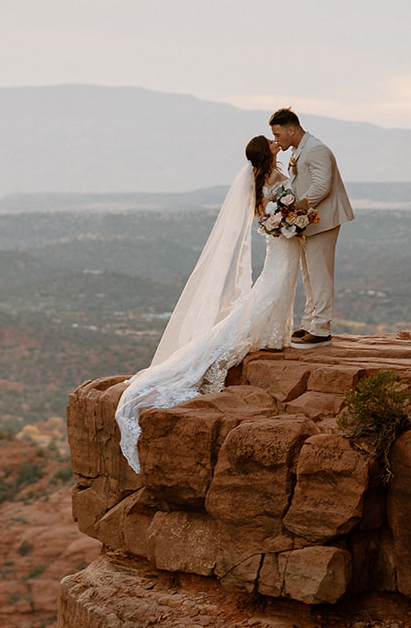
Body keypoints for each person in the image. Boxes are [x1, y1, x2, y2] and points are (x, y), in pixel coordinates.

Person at [115, 134, 304, 472]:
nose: (277, 145)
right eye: (272, 144)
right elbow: (279, 206)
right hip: (282, 239)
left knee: (275, 285)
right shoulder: (272, 178)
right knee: (273, 286)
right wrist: (289, 219)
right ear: (266, 152)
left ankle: (273, 334)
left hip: (281, 239)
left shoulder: (262, 177)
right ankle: (265, 335)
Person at [269, 107, 354, 347]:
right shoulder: (299, 149)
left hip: (323, 220)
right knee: (308, 274)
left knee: (320, 274)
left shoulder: (316, 149)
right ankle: (309, 322)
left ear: (291, 129)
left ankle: (321, 328)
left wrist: (298, 207)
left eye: (278, 134)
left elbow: (321, 186)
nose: (276, 140)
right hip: (309, 223)